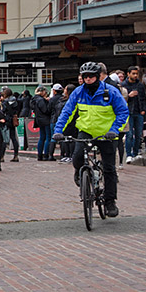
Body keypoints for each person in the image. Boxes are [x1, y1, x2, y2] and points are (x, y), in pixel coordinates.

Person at [54, 61, 129, 218]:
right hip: (86, 131)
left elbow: (123, 112)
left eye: (91, 76)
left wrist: (114, 130)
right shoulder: (78, 92)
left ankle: (110, 202)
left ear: (97, 76)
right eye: (85, 76)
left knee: (109, 168)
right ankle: (80, 174)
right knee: (77, 157)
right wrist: (58, 131)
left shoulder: (111, 92)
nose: (87, 79)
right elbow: (67, 113)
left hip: (107, 134)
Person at [122, 66, 146, 164]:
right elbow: (120, 99)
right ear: (128, 74)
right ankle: (128, 154)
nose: (135, 75)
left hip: (138, 112)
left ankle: (136, 152)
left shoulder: (140, 85)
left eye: (136, 74)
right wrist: (129, 95)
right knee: (129, 134)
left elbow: (143, 98)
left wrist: (144, 109)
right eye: (133, 73)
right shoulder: (123, 85)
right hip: (128, 112)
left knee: (138, 134)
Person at [32, 86, 52, 161]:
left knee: (42, 137)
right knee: (48, 137)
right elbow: (45, 110)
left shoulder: (34, 99)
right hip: (45, 120)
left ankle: (39, 154)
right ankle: (45, 154)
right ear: (42, 92)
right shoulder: (40, 100)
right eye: (45, 92)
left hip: (39, 120)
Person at [0, 88, 20, 162]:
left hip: (7, 120)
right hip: (13, 120)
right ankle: (16, 155)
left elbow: (3, 111)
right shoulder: (15, 101)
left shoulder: (5, 102)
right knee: (13, 138)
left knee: (5, 139)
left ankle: (1, 156)